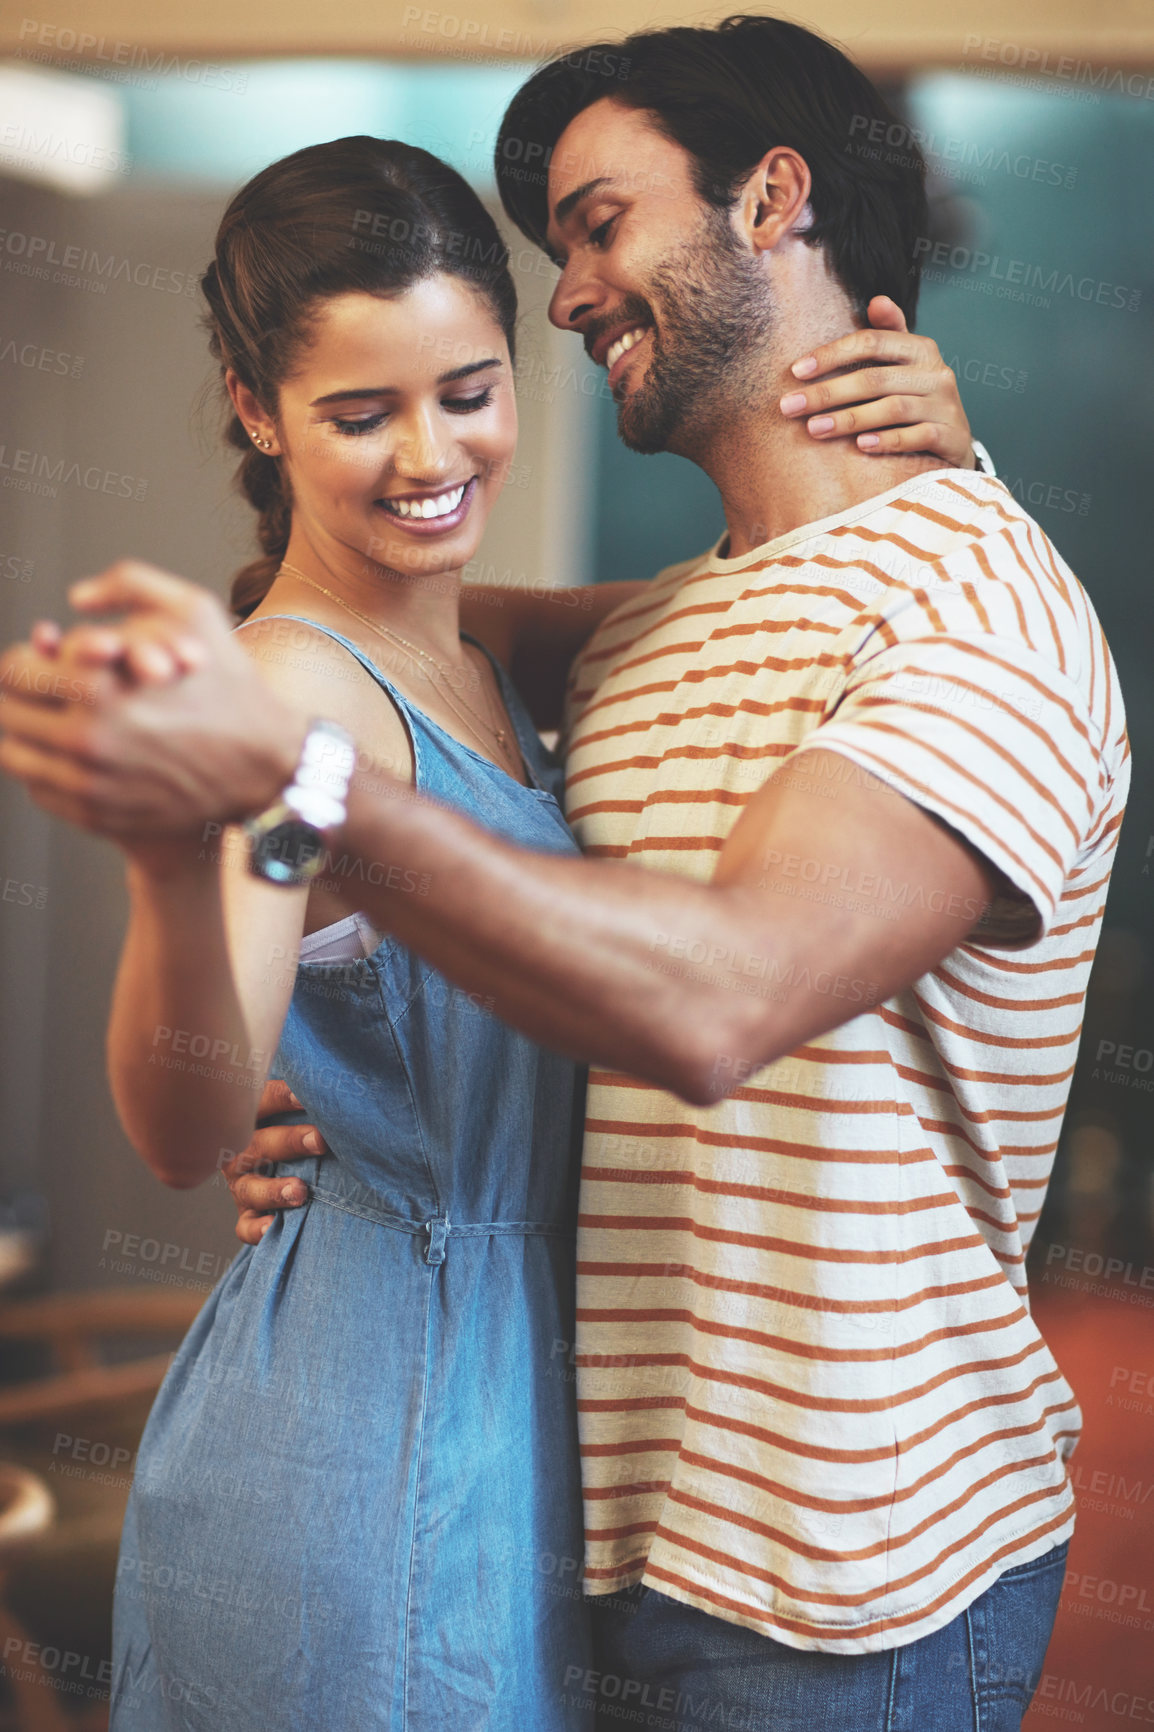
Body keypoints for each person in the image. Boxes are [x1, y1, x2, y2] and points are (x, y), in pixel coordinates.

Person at [0, 16, 1099, 1729]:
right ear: (258, 408)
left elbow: (710, 985)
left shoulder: (922, 606)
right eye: (359, 410)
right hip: (523, 1486)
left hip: (833, 1571)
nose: (571, 291)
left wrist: (297, 796)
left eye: (595, 226)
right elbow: (333, 685)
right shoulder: (611, 640)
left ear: (773, 200)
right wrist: (271, 958)